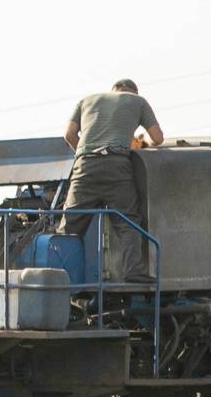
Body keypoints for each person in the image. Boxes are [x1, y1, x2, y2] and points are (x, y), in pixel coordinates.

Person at [61, 79, 164, 283]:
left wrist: (85, 155)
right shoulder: (138, 101)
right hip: (117, 165)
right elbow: (158, 138)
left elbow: (69, 135)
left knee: (70, 226)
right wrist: (142, 143)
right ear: (133, 92)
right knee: (127, 221)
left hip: (85, 165)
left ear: (113, 91)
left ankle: (58, 275)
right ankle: (133, 272)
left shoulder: (86, 100)